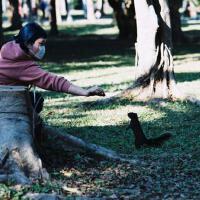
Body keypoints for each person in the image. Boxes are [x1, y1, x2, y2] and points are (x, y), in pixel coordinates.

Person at [0, 22, 105, 137]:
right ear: (28, 43)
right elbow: (52, 81)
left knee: (35, 100)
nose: (42, 48)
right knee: (36, 102)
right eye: (40, 44)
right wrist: (84, 92)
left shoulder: (10, 49)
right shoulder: (21, 65)